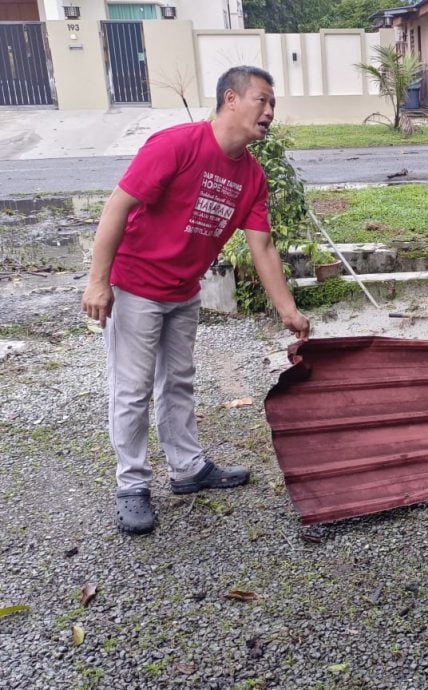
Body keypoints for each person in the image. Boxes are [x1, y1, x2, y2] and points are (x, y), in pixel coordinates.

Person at [81, 65, 310, 535]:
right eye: (261, 100)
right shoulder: (177, 145)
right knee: (132, 389)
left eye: (273, 104)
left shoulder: (251, 176)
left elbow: (261, 246)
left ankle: (187, 469)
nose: (269, 112)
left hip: (184, 292)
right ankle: (132, 486)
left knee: (179, 382)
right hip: (137, 286)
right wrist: (97, 281)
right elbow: (117, 207)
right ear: (231, 98)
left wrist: (287, 310)